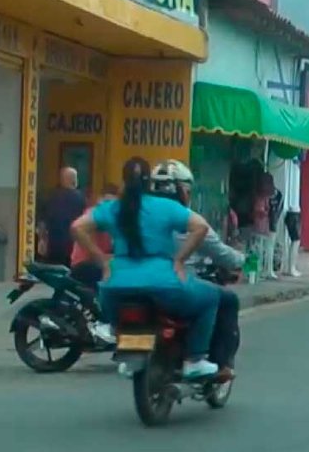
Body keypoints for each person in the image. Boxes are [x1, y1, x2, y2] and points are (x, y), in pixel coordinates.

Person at [71, 162, 220, 380]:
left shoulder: (112, 208)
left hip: (115, 287)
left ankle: (128, 348)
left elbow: (77, 227)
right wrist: (179, 260)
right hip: (164, 285)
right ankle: (194, 360)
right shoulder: (164, 206)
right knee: (210, 298)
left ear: (123, 181)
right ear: (150, 182)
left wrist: (102, 260)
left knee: (117, 321)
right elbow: (200, 227)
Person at [149, 160, 246, 381]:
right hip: (179, 285)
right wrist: (243, 260)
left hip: (139, 283)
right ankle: (204, 360)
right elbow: (222, 253)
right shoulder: (188, 220)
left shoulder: (139, 217)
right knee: (225, 300)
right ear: (182, 190)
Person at [70, 184, 119, 290]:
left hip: (97, 262)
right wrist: (104, 259)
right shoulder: (93, 214)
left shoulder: (114, 217)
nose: (107, 207)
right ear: (99, 200)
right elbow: (91, 252)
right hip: (85, 263)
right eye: (106, 202)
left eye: (111, 204)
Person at [38, 167, 88, 268]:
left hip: (54, 245)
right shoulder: (81, 199)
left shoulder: (50, 197)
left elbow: (42, 222)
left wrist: (42, 240)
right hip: (73, 246)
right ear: (74, 180)